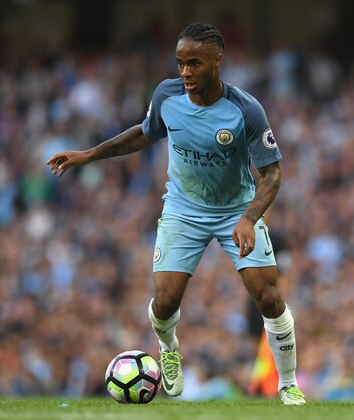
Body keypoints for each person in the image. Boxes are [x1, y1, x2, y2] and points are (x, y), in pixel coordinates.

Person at [46, 23, 305, 405]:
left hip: (235, 209)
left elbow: (272, 172)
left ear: (217, 61)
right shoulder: (167, 95)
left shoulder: (245, 110)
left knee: (268, 296)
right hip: (183, 210)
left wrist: (249, 217)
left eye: (194, 63)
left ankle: (287, 383)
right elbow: (143, 133)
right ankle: (169, 349)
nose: (185, 72)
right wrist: (89, 154)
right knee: (165, 301)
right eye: (180, 63)